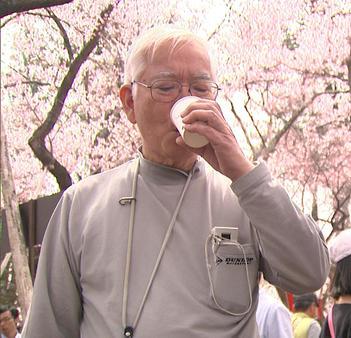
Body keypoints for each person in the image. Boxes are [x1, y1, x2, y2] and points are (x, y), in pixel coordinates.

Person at [23, 25, 330, 338]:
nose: (187, 101)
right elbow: (47, 328)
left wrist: (243, 171)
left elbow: (310, 273)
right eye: (166, 87)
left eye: (201, 88)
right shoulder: (82, 204)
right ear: (129, 102)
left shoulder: (245, 198)